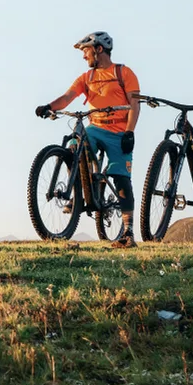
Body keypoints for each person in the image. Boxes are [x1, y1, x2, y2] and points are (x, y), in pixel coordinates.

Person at [36, 31, 141, 240]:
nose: (84, 56)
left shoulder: (124, 73)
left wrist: (130, 132)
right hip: (95, 127)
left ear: (99, 49)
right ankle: (77, 192)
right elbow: (67, 97)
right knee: (76, 143)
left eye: (86, 51)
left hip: (119, 131)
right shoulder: (87, 77)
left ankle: (128, 232)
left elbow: (135, 104)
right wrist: (49, 106)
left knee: (121, 178)